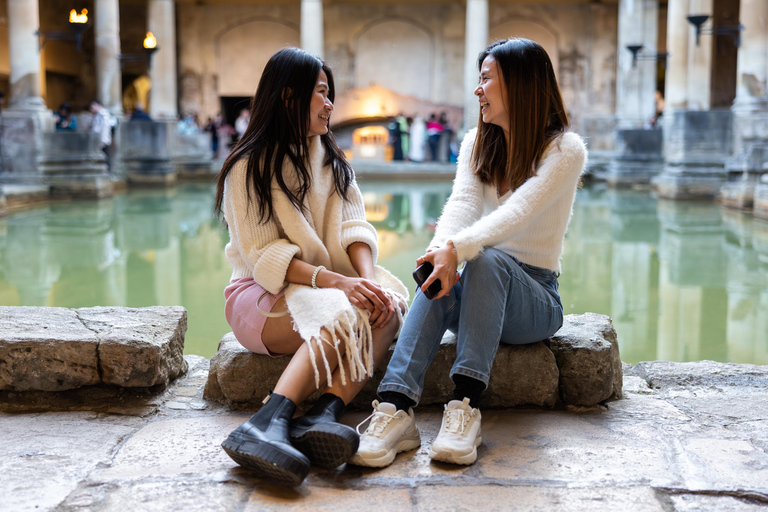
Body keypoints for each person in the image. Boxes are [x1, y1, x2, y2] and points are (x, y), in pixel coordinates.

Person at [351, 38, 587, 468]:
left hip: (534, 300)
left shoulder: (565, 150)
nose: (477, 90)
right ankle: (394, 408)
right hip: (480, 288)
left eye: (485, 79)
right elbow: (461, 204)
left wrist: (457, 249)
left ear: (519, 85)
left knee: (485, 257)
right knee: (441, 266)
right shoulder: (478, 141)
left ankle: (464, 408)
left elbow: (520, 209)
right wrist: (441, 252)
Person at [214, 47, 408, 487]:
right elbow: (265, 257)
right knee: (344, 310)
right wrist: (339, 283)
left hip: (323, 291)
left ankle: (321, 416)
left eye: (329, 93)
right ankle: (267, 418)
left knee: (387, 308)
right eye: (320, 93)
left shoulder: (333, 162)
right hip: (260, 296)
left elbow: (356, 229)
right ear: (288, 96)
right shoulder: (248, 167)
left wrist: (366, 281)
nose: (330, 103)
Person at [89, 100, 115, 172]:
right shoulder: (98, 115)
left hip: (103, 140)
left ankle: (108, 173)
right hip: (98, 140)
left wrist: (103, 141)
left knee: (106, 157)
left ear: (98, 105)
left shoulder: (104, 115)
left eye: (93, 106)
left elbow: (105, 128)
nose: (92, 108)